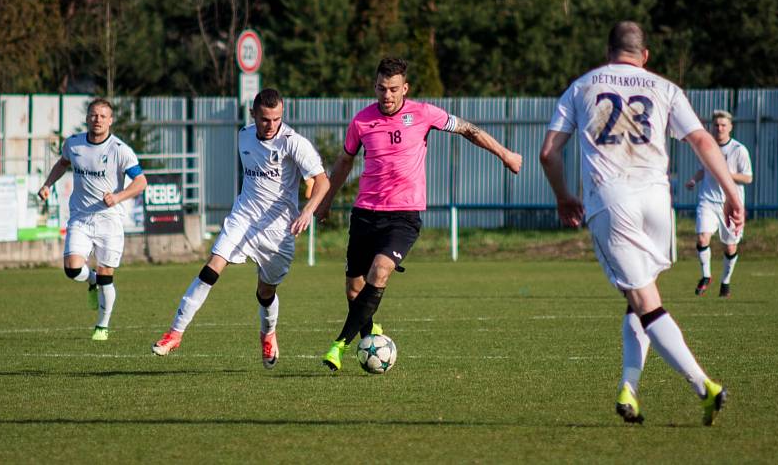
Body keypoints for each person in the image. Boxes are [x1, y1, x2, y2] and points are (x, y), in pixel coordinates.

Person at [539, 21, 745, 426]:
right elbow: (703, 140)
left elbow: (549, 152)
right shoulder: (665, 88)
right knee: (640, 297)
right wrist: (732, 195)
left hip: (612, 202)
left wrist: (564, 196)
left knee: (645, 302)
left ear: (608, 51)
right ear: (644, 55)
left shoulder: (582, 86)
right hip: (657, 202)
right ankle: (628, 389)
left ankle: (705, 386)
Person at [315, 57, 522, 371]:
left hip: (403, 216)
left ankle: (339, 345)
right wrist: (327, 200)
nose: (387, 95)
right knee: (354, 289)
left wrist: (505, 154)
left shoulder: (424, 114)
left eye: (394, 89)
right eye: (382, 88)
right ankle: (370, 335)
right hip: (365, 213)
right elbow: (344, 163)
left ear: (405, 88)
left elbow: (468, 130)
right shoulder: (361, 122)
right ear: (374, 86)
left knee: (380, 271)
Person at [151, 88, 329, 369]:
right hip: (243, 218)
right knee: (212, 267)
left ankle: (268, 333)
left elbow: (322, 181)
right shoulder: (244, 135)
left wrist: (307, 211)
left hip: (278, 230)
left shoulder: (294, 143)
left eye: (276, 119)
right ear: (253, 115)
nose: (271, 126)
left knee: (265, 292)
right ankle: (175, 332)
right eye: (265, 119)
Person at [38, 98, 148, 341]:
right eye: (93, 115)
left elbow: (141, 182)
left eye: (102, 116)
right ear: (87, 118)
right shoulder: (74, 144)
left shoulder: (120, 150)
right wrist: (47, 185)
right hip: (80, 217)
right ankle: (91, 280)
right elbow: (62, 163)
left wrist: (119, 196)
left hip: (109, 220)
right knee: (72, 268)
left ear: (110, 120)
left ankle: (102, 325)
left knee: (107, 273)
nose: (97, 120)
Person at [685, 110, 752, 298]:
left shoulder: (739, 150)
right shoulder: (707, 147)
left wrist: (724, 173)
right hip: (707, 200)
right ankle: (706, 276)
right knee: (702, 238)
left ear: (730, 127)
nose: (720, 128)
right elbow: (702, 170)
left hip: (729, 205)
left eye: (723, 125)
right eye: (717, 125)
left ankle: (725, 282)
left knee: (730, 247)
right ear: (712, 127)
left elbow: (748, 178)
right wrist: (693, 180)